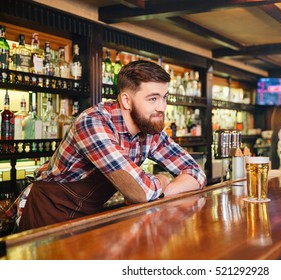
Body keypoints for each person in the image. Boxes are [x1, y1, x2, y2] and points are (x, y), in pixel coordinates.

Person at [11, 60, 207, 231]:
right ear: (126, 100)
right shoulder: (93, 123)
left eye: (164, 97)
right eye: (153, 98)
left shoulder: (150, 127)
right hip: (47, 213)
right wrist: (163, 178)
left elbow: (196, 173)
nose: (162, 107)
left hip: (88, 217)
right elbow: (141, 191)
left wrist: (164, 191)